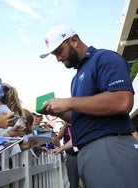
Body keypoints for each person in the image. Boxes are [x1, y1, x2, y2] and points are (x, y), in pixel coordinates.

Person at [40, 24, 138, 188]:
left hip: (109, 145)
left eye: (59, 51)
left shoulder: (104, 58)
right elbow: (82, 114)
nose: (57, 58)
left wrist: (68, 102)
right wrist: (60, 112)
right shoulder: (76, 77)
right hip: (88, 150)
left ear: (74, 40)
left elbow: (123, 101)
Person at [52, 122, 80, 188]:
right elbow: (58, 137)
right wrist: (64, 126)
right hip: (72, 155)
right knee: (73, 180)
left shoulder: (79, 123)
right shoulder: (65, 127)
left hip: (83, 153)